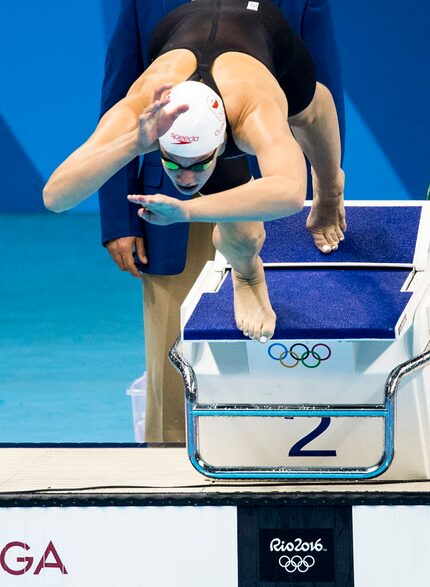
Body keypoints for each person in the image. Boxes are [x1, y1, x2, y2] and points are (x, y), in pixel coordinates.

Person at [43, 0, 345, 443]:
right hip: (183, 46)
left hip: (262, 49)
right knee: (238, 228)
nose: (184, 179)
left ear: (224, 139)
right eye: (173, 162)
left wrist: (188, 210)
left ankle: (331, 190)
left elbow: (286, 192)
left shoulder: (253, 111)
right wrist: (131, 144)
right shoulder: (141, 106)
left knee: (312, 111)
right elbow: (55, 195)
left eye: (197, 164)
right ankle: (247, 271)